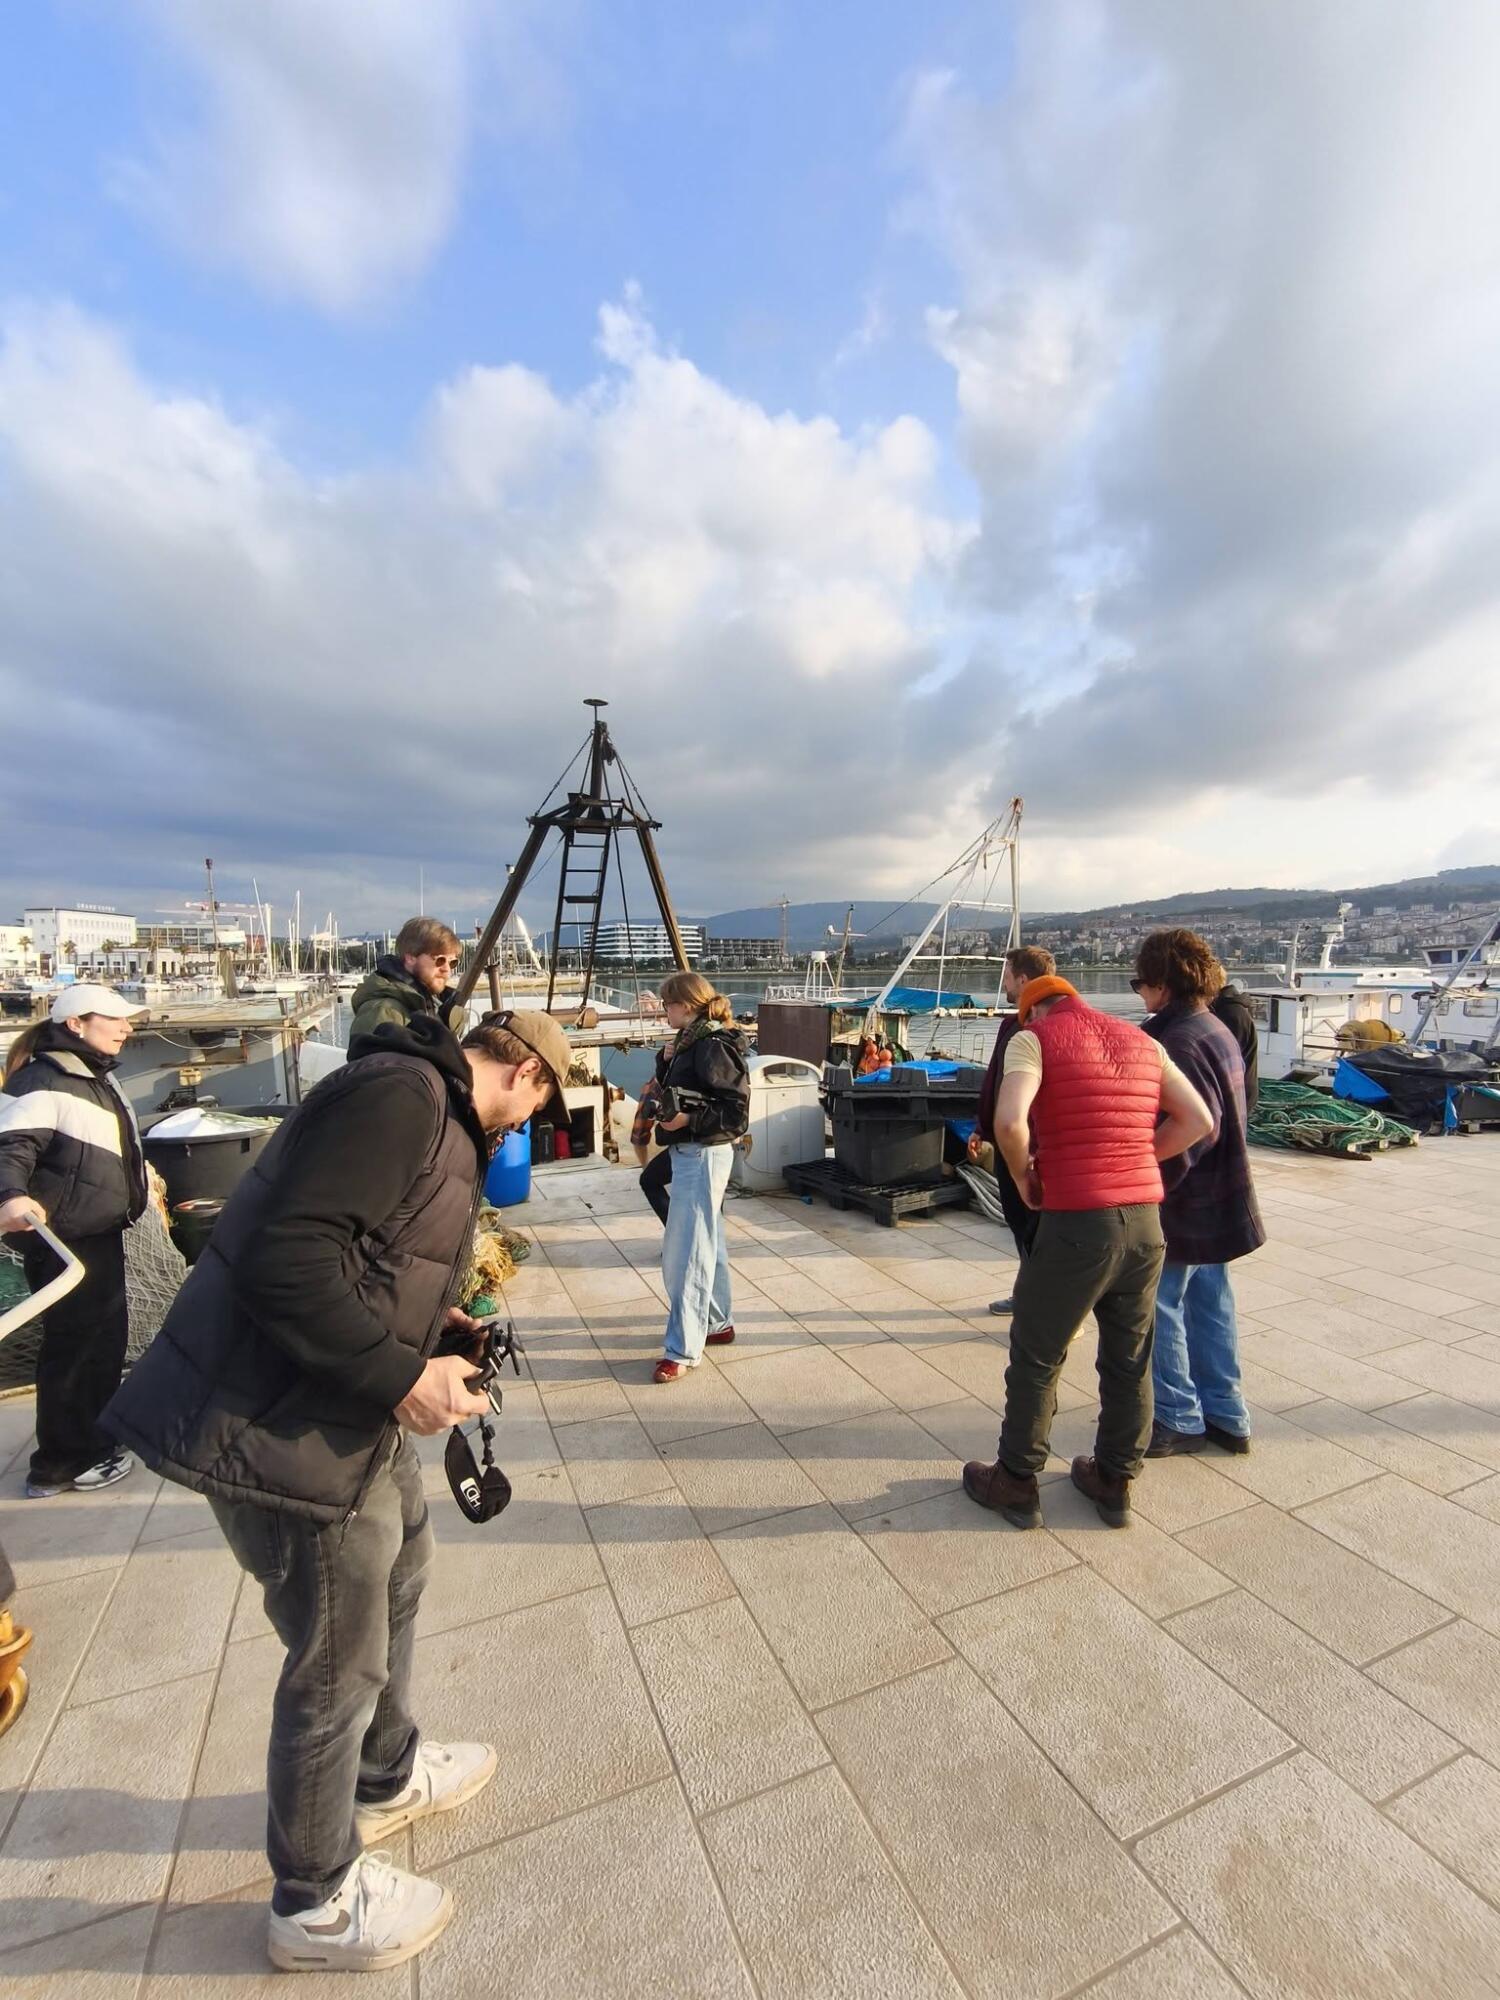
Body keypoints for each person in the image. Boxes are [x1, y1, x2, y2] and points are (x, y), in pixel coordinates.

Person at [103, 1008, 569, 1973]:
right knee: (336, 1657)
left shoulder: (424, 1106)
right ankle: (312, 1901)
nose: (521, 1130)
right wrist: (404, 1378)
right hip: (282, 1421)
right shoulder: (403, 1099)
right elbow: (287, 1259)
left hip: (339, 1406)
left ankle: (386, 1772)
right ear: (523, 1073)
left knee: (407, 1556)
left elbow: (358, 1247)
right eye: (532, 1111)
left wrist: (433, 1320)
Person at [962, 976, 1213, 1531]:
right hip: (1146, 1224)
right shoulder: (1144, 1041)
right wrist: (1135, 1158)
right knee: (1130, 1358)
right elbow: (1198, 1120)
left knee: (1038, 1354)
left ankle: (1016, 1481)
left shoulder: (1035, 1038)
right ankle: (1114, 1481)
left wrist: (1028, 1176)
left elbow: (1008, 1122)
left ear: (1032, 1012)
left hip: (1076, 1222)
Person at [0, 986, 148, 1498]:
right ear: (77, 1024)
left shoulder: (90, 1077)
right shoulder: (44, 1080)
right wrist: (11, 1198)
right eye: (116, 1018)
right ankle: (64, 1461)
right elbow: (12, 1147)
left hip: (96, 1233)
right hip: (69, 1243)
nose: (127, 1027)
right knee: (77, 1349)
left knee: (99, 1345)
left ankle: (92, 1440)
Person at [1132, 930, 1265, 1457]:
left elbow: (1193, 1127)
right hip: (1222, 1193)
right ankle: (1228, 1415)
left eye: (1140, 983)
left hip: (1185, 1199)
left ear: (1162, 983)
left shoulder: (1175, 1041)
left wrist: (1139, 1168)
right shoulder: (1215, 1027)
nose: (1140, 994)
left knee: (1158, 1306)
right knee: (1212, 1305)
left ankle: (1179, 1415)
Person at [649, 972, 750, 1384]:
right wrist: (667, 1059)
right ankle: (717, 1323)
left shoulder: (710, 1046)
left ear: (687, 1005)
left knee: (685, 1253)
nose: (663, 1010)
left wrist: (688, 1118)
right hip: (694, 1152)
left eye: (668, 1004)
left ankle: (683, 1349)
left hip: (703, 1152)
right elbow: (683, 1084)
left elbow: (735, 1113)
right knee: (708, 1242)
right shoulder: (695, 1042)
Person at [971, 945, 1057, 1313]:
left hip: (1034, 1147)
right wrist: (982, 1128)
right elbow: (995, 1081)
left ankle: (1051, 1306)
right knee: (1020, 1223)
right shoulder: (1011, 1024)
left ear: (1023, 980)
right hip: (1008, 1146)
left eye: (1006, 976)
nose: (1003, 984)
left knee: (1038, 1228)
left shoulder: (1044, 1028)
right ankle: (1028, 1294)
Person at [348, 918, 466, 1043]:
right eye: (440, 960)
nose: (447, 969)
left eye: (453, 962)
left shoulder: (437, 1007)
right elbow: (374, 1062)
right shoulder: (384, 1011)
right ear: (411, 958)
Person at [1210, 977, 1260, 1114]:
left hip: (1237, 1097)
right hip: (1240, 1094)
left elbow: (1228, 1062)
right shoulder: (1229, 1010)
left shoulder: (1231, 1014)